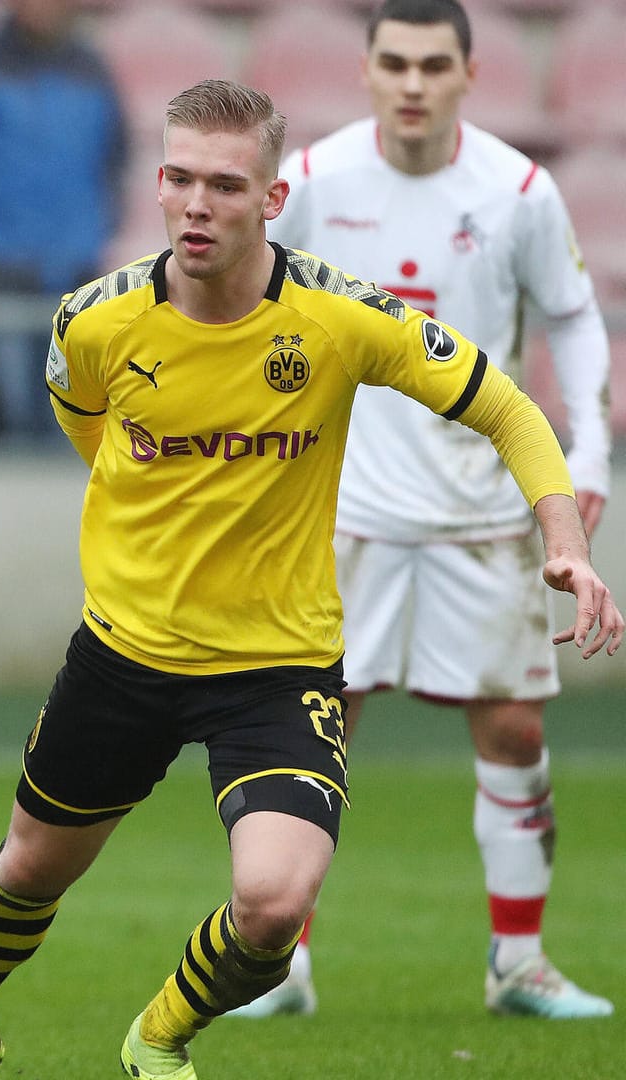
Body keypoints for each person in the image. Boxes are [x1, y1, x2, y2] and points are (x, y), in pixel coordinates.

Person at [0, 79, 622, 1080]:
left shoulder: (339, 316)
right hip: (125, 653)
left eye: (224, 183)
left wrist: (564, 539)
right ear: (157, 185)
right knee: (28, 869)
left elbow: (504, 404)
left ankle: (157, 1038)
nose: (197, 203)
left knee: (274, 901)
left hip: (278, 666)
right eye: (179, 179)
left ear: (270, 200)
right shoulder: (95, 321)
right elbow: (90, 430)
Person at [228, 0, 615, 1021]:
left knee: (516, 727)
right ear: (365, 71)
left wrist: (591, 454)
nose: (412, 83)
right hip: (343, 512)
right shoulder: (309, 183)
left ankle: (519, 964)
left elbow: (574, 322)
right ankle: (280, 967)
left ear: (469, 75)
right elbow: (241, 308)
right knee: (314, 729)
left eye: (432, 65)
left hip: (481, 513)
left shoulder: (518, 193)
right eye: (393, 62)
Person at [0, 0, 127, 441]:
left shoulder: (93, 70)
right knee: (11, 419)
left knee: (72, 420)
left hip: (76, 274)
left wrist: (110, 234)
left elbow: (114, 160)